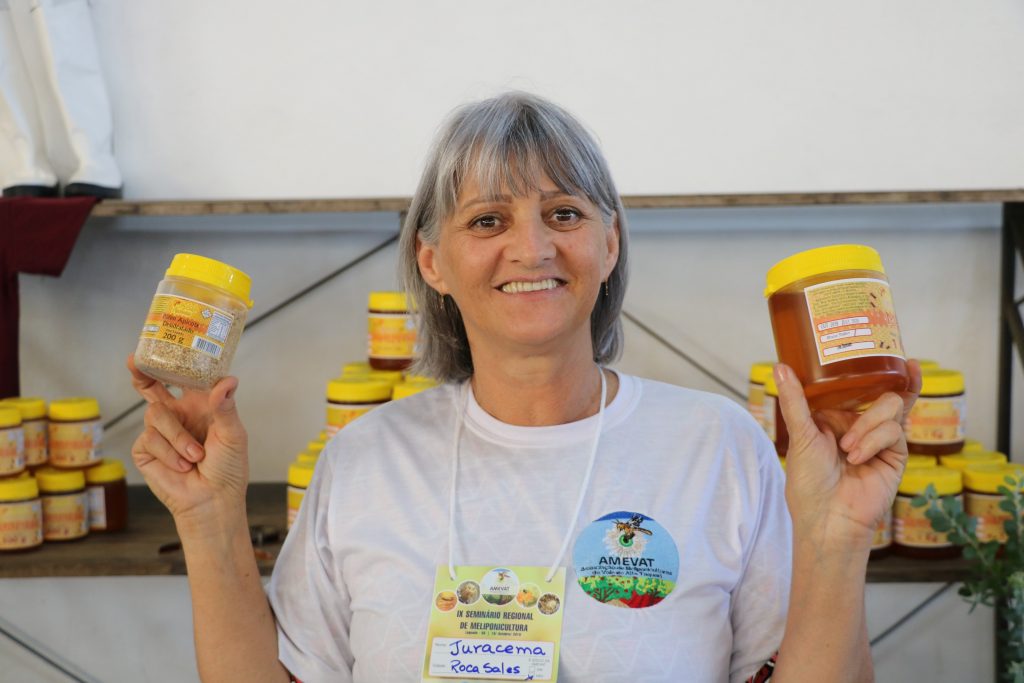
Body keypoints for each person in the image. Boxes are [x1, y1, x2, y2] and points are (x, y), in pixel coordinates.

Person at [128, 91, 921, 683]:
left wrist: (839, 536)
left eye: (564, 213)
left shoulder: (719, 446)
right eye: (487, 220)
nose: (532, 247)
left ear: (610, 244)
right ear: (432, 261)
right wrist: (206, 517)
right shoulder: (364, 459)